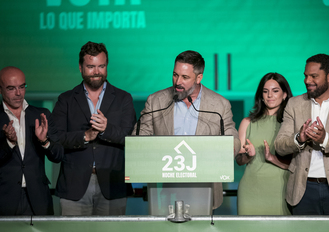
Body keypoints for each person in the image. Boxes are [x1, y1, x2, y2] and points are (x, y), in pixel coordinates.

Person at [133, 50, 241, 213]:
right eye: (175, 75)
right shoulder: (156, 101)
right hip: (164, 188)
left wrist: (232, 147)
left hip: (203, 188)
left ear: (199, 78)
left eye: (185, 77)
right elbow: (139, 137)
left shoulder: (219, 104)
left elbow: (231, 134)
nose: (177, 81)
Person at [52, 41, 136, 215]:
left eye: (101, 66)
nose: (97, 72)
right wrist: (85, 136)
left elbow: (131, 138)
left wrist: (106, 129)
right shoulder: (65, 100)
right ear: (80, 68)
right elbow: (56, 137)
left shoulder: (123, 98)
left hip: (113, 184)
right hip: (74, 186)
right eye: (91, 66)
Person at [274, 54, 329, 215]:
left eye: (314, 76)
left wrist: (325, 139)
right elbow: (279, 146)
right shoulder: (294, 104)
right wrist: (299, 139)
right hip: (302, 191)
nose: (307, 80)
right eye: (306, 76)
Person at [0, 66, 63, 215]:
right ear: (1, 89)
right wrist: (9, 143)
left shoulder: (41, 115)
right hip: (4, 197)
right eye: (11, 88)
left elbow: (58, 155)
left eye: (22, 87)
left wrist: (44, 141)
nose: (18, 93)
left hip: (38, 197)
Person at [236, 73, 292, 215]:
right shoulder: (247, 122)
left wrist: (272, 158)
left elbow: (299, 164)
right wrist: (249, 156)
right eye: (265, 91)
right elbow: (239, 161)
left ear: (284, 94)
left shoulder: (291, 124)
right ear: (261, 95)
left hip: (281, 191)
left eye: (275, 91)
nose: (270, 96)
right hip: (251, 191)